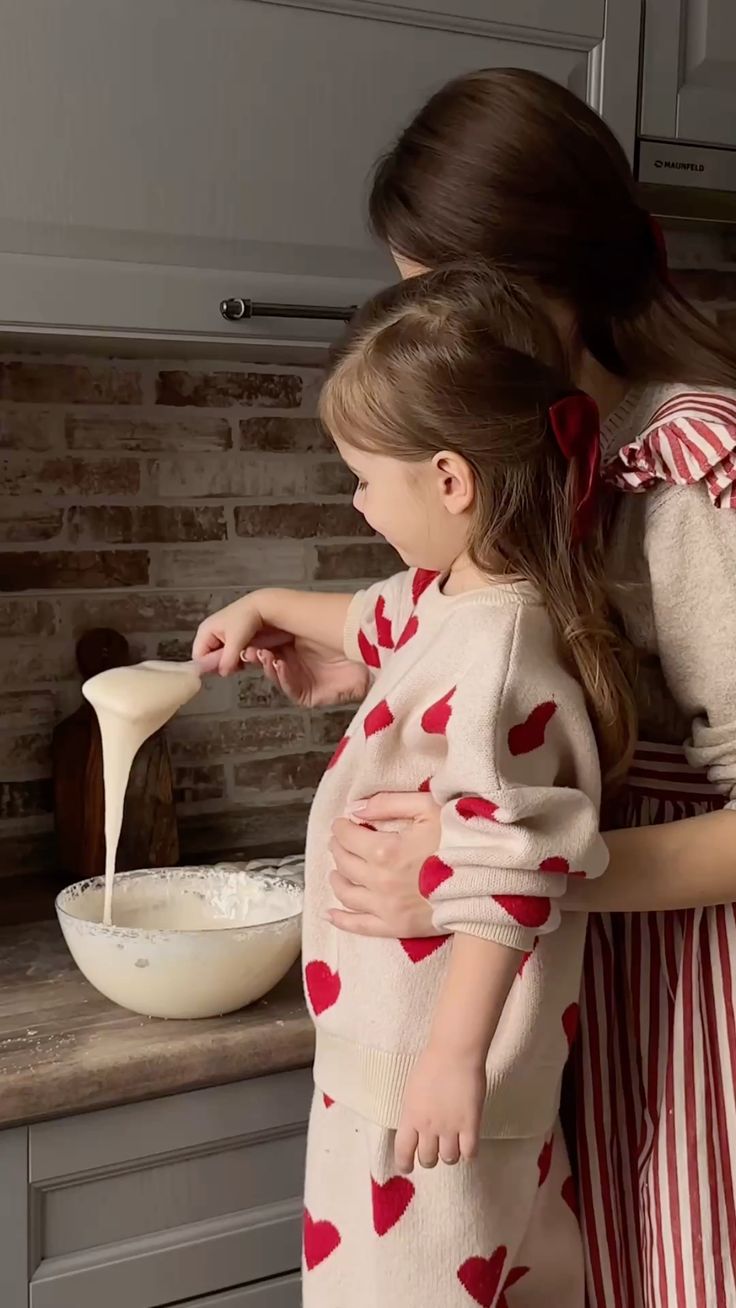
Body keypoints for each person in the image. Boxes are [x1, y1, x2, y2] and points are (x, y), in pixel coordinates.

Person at [234, 69, 736, 1307]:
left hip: (695, 1024)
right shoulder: (564, 475)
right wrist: (329, 643)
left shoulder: (689, 479)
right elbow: (497, 646)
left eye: (434, 301)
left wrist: (486, 872)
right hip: (586, 1006)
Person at [193, 265, 636, 1306]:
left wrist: (450, 1060)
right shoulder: (459, 597)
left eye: (360, 477)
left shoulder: (493, 647)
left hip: (423, 1082)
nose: (354, 501)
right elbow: (372, 619)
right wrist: (269, 607)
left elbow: (502, 871)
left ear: (449, 481)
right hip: (407, 1073)